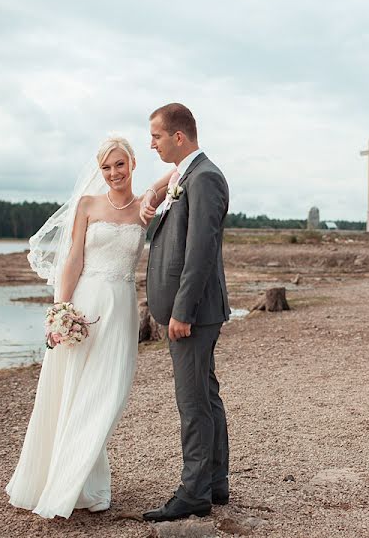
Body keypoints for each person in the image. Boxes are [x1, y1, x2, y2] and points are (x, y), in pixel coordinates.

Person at [6, 137, 172, 519]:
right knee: (70, 390)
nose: (113, 173)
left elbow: (178, 171)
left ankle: (78, 477)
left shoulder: (144, 207)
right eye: (106, 167)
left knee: (107, 394)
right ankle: (71, 484)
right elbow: (73, 259)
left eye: (120, 164)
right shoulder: (86, 205)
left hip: (121, 309)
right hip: (83, 305)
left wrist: (155, 188)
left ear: (132, 163)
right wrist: (60, 312)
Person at [139, 103, 231, 523]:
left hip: (192, 314)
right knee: (205, 396)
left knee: (192, 403)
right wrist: (156, 193)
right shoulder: (186, 175)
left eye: (156, 136)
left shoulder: (205, 177)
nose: (151, 143)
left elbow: (200, 250)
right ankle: (214, 482)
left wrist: (181, 311)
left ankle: (194, 492)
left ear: (179, 136)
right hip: (192, 311)